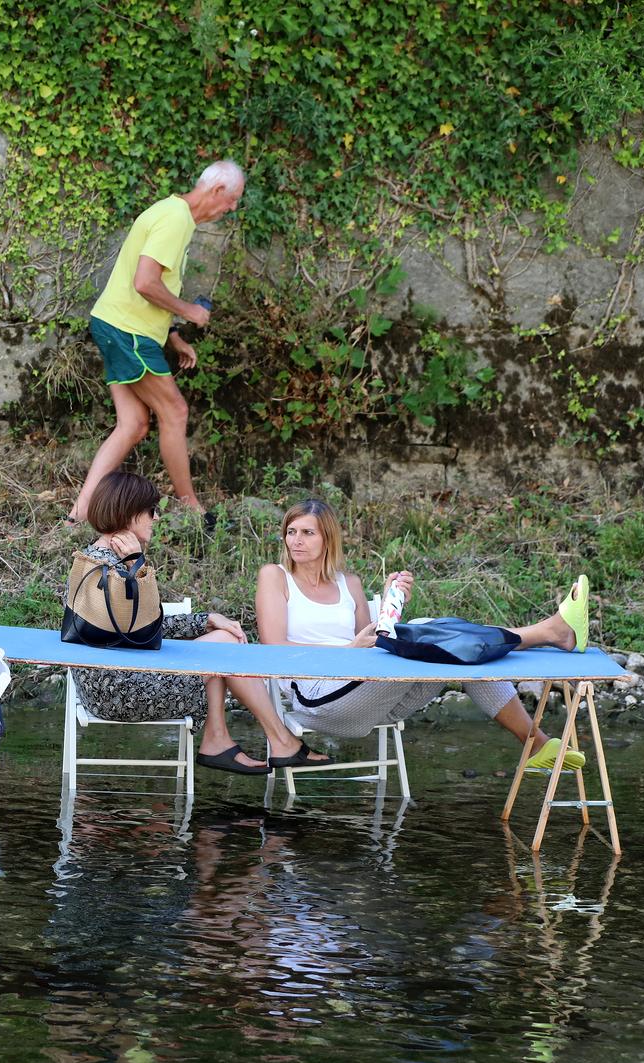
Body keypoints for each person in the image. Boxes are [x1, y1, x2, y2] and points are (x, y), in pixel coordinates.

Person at [255, 498, 590, 769]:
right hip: (319, 698)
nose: (296, 540)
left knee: (449, 649)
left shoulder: (349, 583)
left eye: (307, 533)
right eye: (291, 532)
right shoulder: (275, 576)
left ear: (328, 538)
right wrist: (347, 650)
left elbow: (372, 639)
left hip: (373, 696)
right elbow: (273, 647)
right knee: (432, 637)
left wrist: (389, 605)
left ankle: (535, 743)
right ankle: (549, 632)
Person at [69, 471, 332, 773]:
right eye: (151, 511)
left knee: (222, 646)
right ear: (130, 513)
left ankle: (222, 740)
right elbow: (145, 628)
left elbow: (131, 624)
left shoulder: (93, 557)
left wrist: (205, 620)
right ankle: (270, 740)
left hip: (113, 681)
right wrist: (138, 564)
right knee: (226, 648)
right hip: (121, 691)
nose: (155, 519)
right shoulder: (113, 565)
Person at [67, 159, 246, 526]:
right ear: (216, 190)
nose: (231, 209)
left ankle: (79, 513)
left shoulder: (173, 214)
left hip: (118, 326)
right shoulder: (176, 218)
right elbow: (145, 282)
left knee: (133, 424)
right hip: (127, 330)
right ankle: (192, 509)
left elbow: (152, 287)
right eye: (232, 200)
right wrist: (191, 312)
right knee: (175, 412)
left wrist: (175, 336)